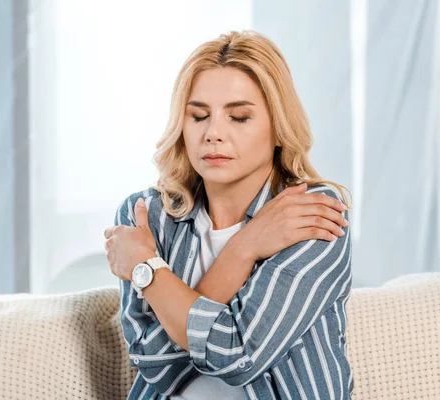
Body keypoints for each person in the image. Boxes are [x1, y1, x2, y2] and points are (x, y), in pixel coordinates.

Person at [103, 30, 353, 400]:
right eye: (199, 116)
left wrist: (146, 267)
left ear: (278, 128)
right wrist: (243, 250)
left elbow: (239, 354)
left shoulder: (311, 212)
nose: (214, 133)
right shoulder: (146, 215)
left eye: (239, 117)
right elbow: (157, 362)